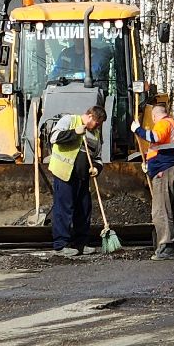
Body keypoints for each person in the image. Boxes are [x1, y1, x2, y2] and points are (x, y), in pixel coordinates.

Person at [45, 105, 105, 255]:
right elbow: (54, 138)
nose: (98, 126)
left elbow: (97, 157)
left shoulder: (95, 134)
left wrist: (97, 167)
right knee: (64, 209)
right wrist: (74, 133)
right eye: (97, 123)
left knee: (84, 210)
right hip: (64, 173)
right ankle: (61, 244)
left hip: (82, 177)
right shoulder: (69, 121)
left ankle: (81, 243)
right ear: (90, 116)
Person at [133, 102, 174, 259]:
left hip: (165, 173)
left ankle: (166, 248)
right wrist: (149, 164)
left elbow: (154, 137)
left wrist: (138, 129)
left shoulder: (163, 124)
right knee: (170, 211)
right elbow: (163, 148)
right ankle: (168, 245)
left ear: (154, 116)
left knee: (161, 212)